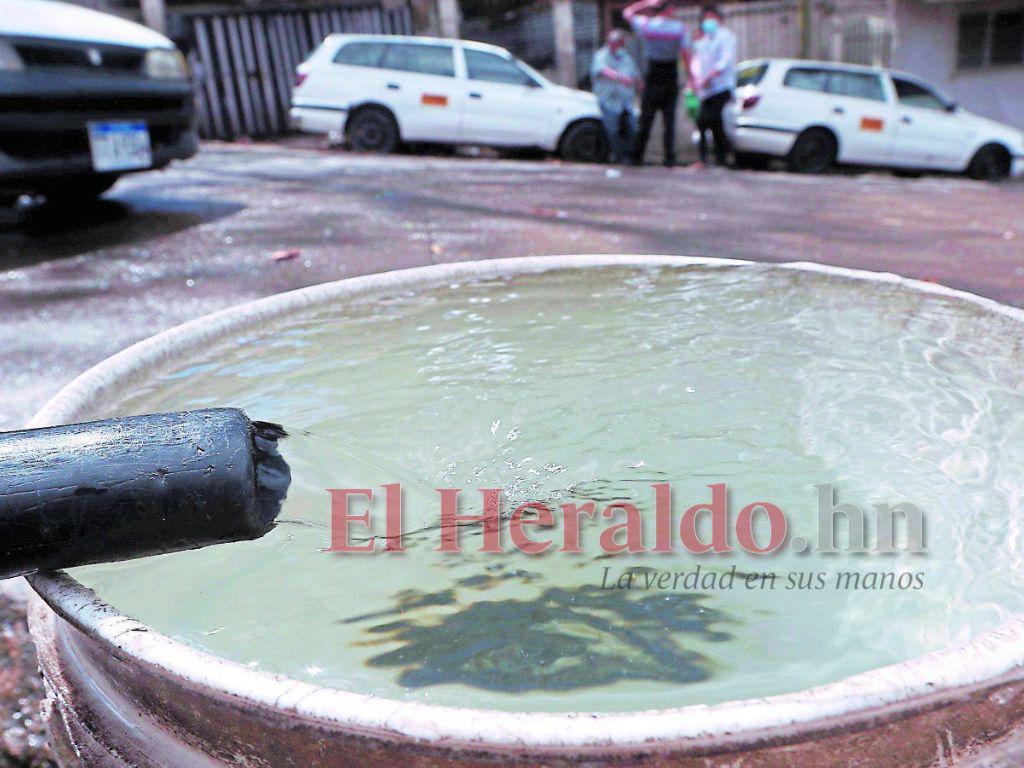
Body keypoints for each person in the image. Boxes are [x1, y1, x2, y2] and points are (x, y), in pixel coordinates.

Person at [623, 0, 691, 167]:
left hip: (653, 73)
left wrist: (646, 3)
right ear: (670, 10)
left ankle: (636, 157)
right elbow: (685, 54)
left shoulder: (646, 25)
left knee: (646, 119)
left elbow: (627, 13)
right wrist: (690, 76)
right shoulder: (679, 28)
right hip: (670, 73)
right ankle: (669, 158)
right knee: (669, 121)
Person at [691, 5, 737, 168]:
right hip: (706, 89)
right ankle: (716, 158)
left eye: (711, 17)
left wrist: (711, 75)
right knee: (710, 123)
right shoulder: (705, 39)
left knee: (707, 121)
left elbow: (725, 61)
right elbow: (698, 60)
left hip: (721, 87)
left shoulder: (726, 36)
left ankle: (713, 158)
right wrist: (697, 79)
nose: (708, 21)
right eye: (706, 18)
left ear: (719, 19)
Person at [590, 29, 641, 164]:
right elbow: (603, 71)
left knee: (632, 128)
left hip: (625, 101)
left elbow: (635, 75)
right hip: (609, 101)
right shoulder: (601, 56)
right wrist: (620, 78)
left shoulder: (626, 57)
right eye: (618, 43)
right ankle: (616, 157)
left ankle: (628, 156)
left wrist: (638, 83)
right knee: (612, 130)